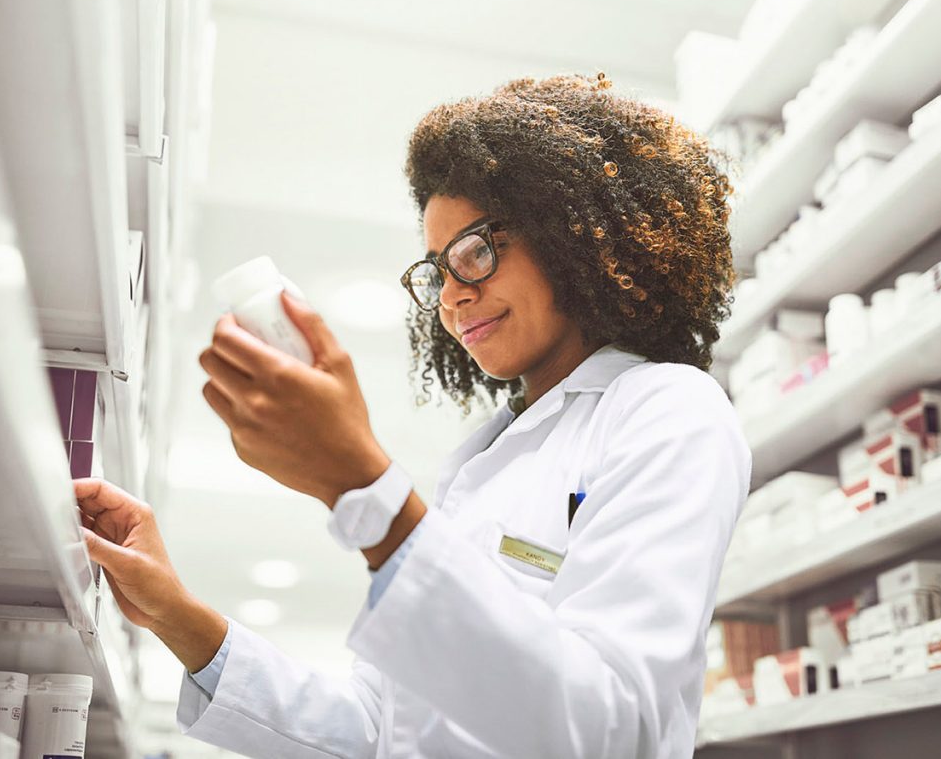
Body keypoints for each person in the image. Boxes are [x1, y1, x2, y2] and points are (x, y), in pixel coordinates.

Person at [74, 73, 751, 758]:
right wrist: (178, 617)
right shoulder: (482, 462)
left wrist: (364, 490)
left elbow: (613, 732)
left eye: (476, 253)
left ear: (575, 235)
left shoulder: (669, 411)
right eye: (437, 272)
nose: (451, 297)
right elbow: (380, 732)